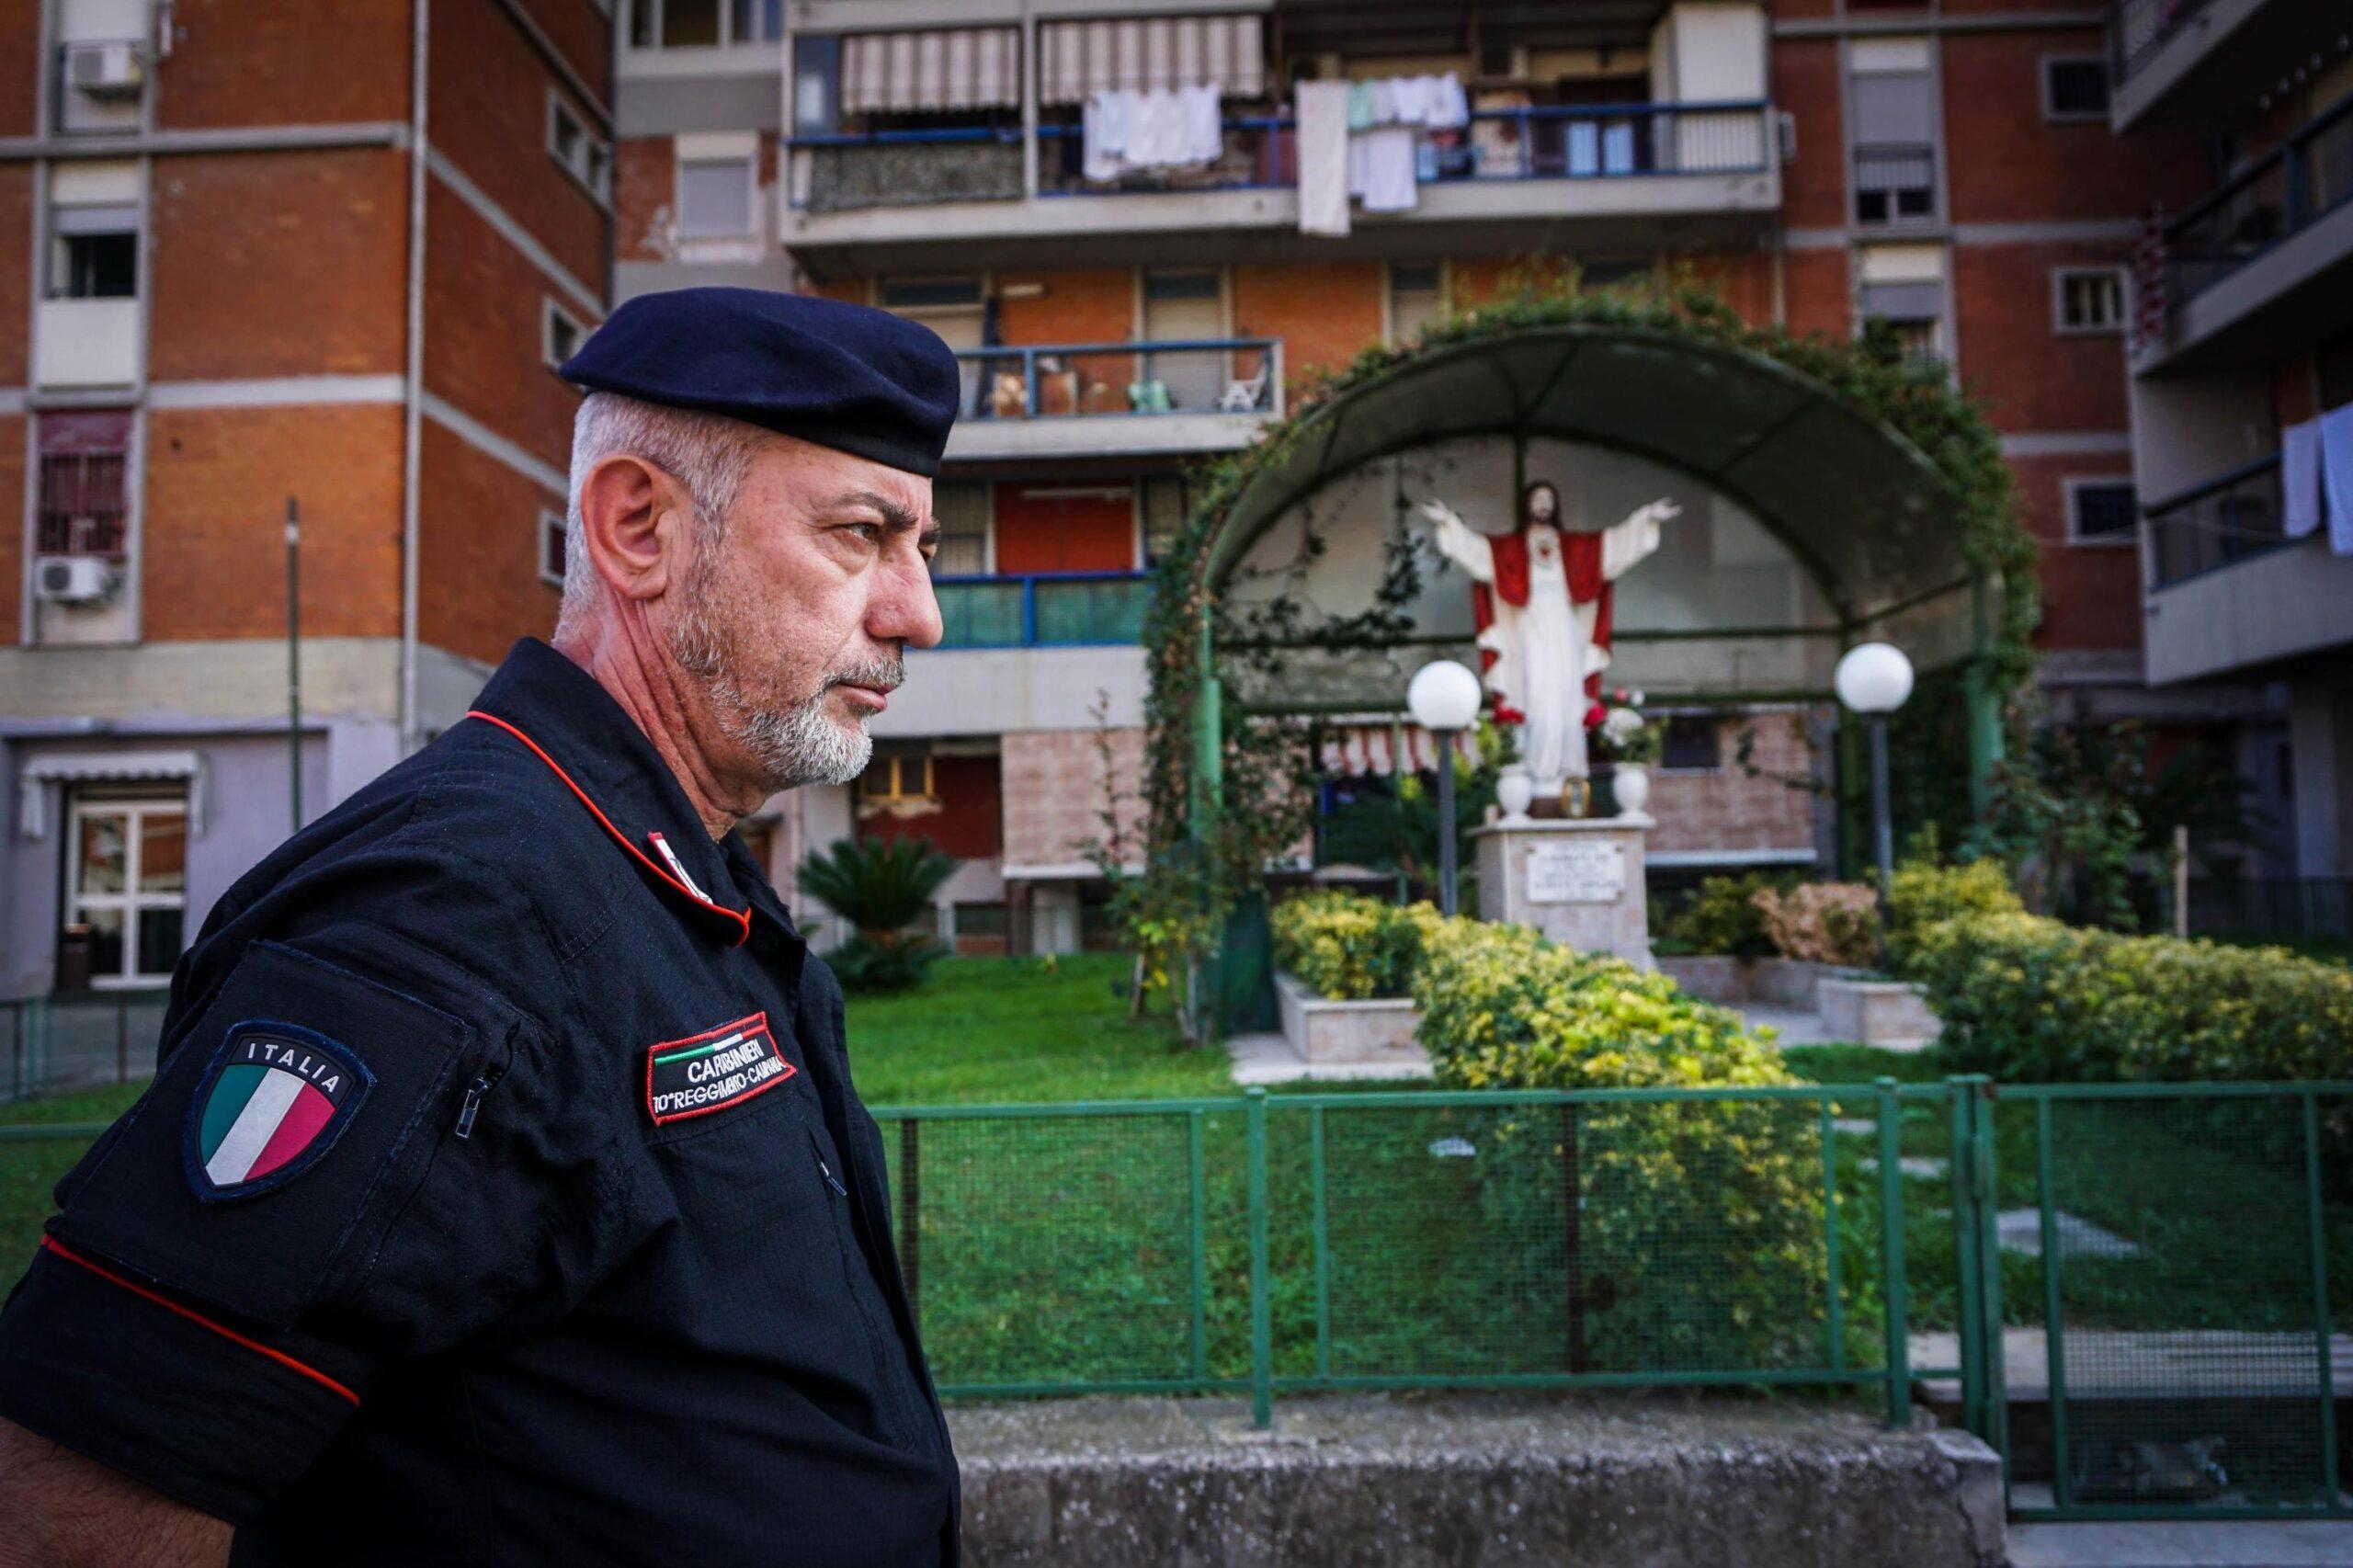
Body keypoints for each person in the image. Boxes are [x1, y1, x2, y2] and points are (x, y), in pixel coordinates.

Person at [0, 288, 964, 1566]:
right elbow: (93, 1475)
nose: (918, 613)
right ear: (638, 527)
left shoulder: (664, 859)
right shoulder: (453, 903)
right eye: (862, 534)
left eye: (924, 548)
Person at [1419, 480, 1678, 795]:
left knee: (1569, 693)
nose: (1543, 504)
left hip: (1565, 625)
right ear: (1527, 505)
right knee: (1537, 692)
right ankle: (1538, 771)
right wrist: (1449, 522)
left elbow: (1613, 546)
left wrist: (1646, 518)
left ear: (1556, 506)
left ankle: (1571, 769)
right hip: (1530, 623)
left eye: (1548, 499)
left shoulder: (1575, 548)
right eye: (1537, 499)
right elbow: (1477, 553)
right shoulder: (1511, 550)